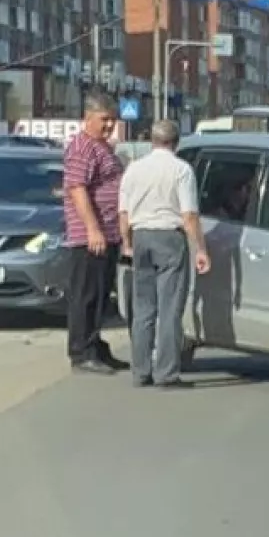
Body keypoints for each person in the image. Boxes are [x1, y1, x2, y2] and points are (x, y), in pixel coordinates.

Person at [117, 120, 210, 387]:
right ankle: (166, 372)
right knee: (169, 308)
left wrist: (127, 242)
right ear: (176, 143)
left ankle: (140, 371)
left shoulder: (134, 169)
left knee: (143, 308)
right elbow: (189, 215)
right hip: (170, 238)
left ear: (152, 141)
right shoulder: (181, 170)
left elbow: (123, 211)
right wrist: (200, 249)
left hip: (141, 236)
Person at [63, 93, 127, 375]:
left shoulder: (101, 147)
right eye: (104, 119)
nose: (109, 125)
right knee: (86, 295)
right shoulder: (83, 147)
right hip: (91, 237)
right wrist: (93, 229)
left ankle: (95, 345)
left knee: (101, 295)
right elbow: (77, 188)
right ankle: (81, 352)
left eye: (113, 119)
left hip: (109, 233)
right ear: (88, 118)